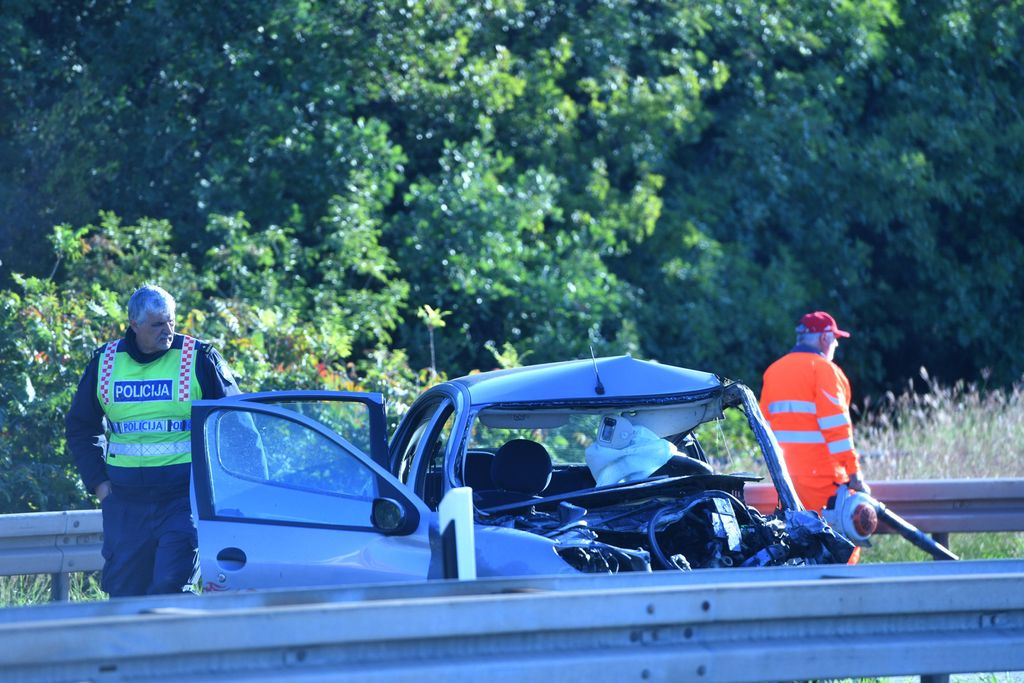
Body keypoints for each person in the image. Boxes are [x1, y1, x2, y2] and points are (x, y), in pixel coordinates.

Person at [65, 284, 240, 597]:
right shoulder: (106, 363)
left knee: (171, 585)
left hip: (182, 499)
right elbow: (80, 426)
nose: (167, 330)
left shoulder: (199, 359)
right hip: (124, 502)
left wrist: (230, 490)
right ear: (134, 324)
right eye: (158, 324)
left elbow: (236, 425)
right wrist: (100, 485)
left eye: (171, 321)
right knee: (124, 593)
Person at [760, 311, 871, 561]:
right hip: (824, 482)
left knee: (797, 550)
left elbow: (765, 430)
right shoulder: (825, 371)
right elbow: (837, 430)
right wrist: (854, 474)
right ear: (824, 338)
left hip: (786, 482)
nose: (837, 345)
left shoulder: (773, 371)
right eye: (835, 339)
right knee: (840, 549)